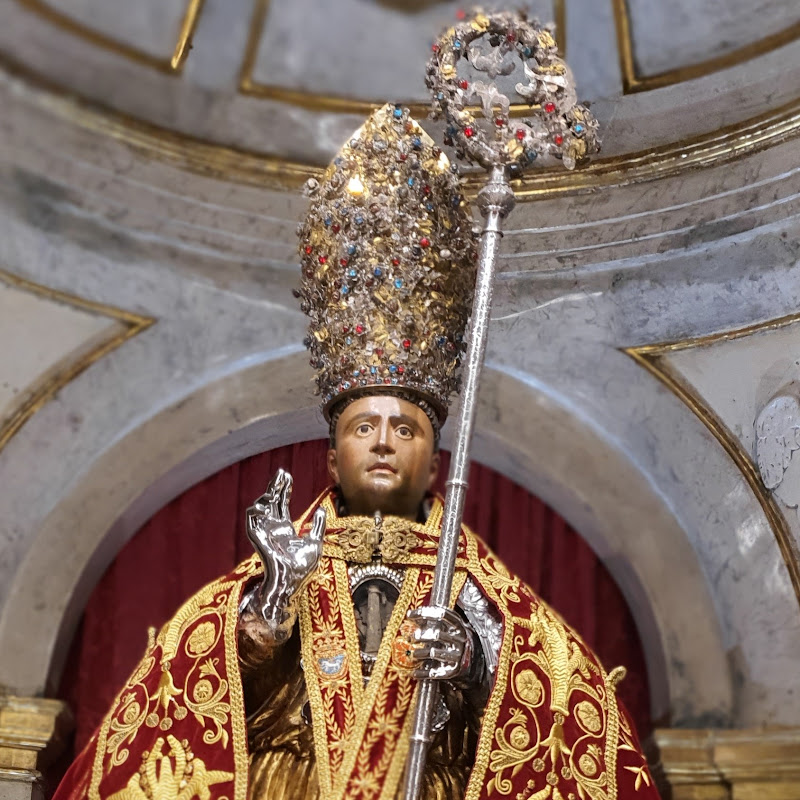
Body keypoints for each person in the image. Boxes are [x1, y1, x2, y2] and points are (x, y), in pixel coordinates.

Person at [53, 105, 659, 800]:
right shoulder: (282, 570)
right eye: (362, 427)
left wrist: (474, 663)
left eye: (405, 429)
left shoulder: (473, 591)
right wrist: (272, 607)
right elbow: (195, 712)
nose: (381, 441)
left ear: (435, 461)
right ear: (331, 456)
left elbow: (556, 701)